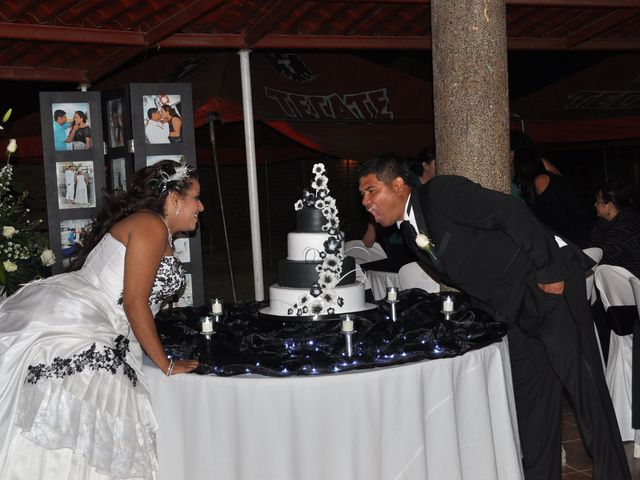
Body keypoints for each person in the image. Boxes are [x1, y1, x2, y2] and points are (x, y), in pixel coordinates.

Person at [358, 155, 630, 480]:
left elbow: (510, 212)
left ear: (398, 185)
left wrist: (548, 271)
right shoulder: (410, 233)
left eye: (371, 190)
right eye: (363, 195)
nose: (366, 201)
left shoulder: (440, 193)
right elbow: (471, 275)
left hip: (550, 286)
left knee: (585, 391)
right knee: (532, 406)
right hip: (515, 313)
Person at [0, 160, 202, 479]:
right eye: (195, 198)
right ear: (175, 199)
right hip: (85, 314)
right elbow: (135, 304)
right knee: (87, 397)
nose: (200, 206)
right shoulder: (150, 225)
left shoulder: (156, 229)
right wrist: (167, 364)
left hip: (109, 322)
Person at [513, 147, 594, 247]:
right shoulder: (545, 178)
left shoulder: (541, 179)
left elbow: (548, 215)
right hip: (573, 233)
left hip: (572, 236)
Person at [590, 181, 640, 278]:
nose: (595, 204)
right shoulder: (606, 221)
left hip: (630, 282)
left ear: (609, 205)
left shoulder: (625, 228)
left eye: (597, 201)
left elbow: (601, 259)